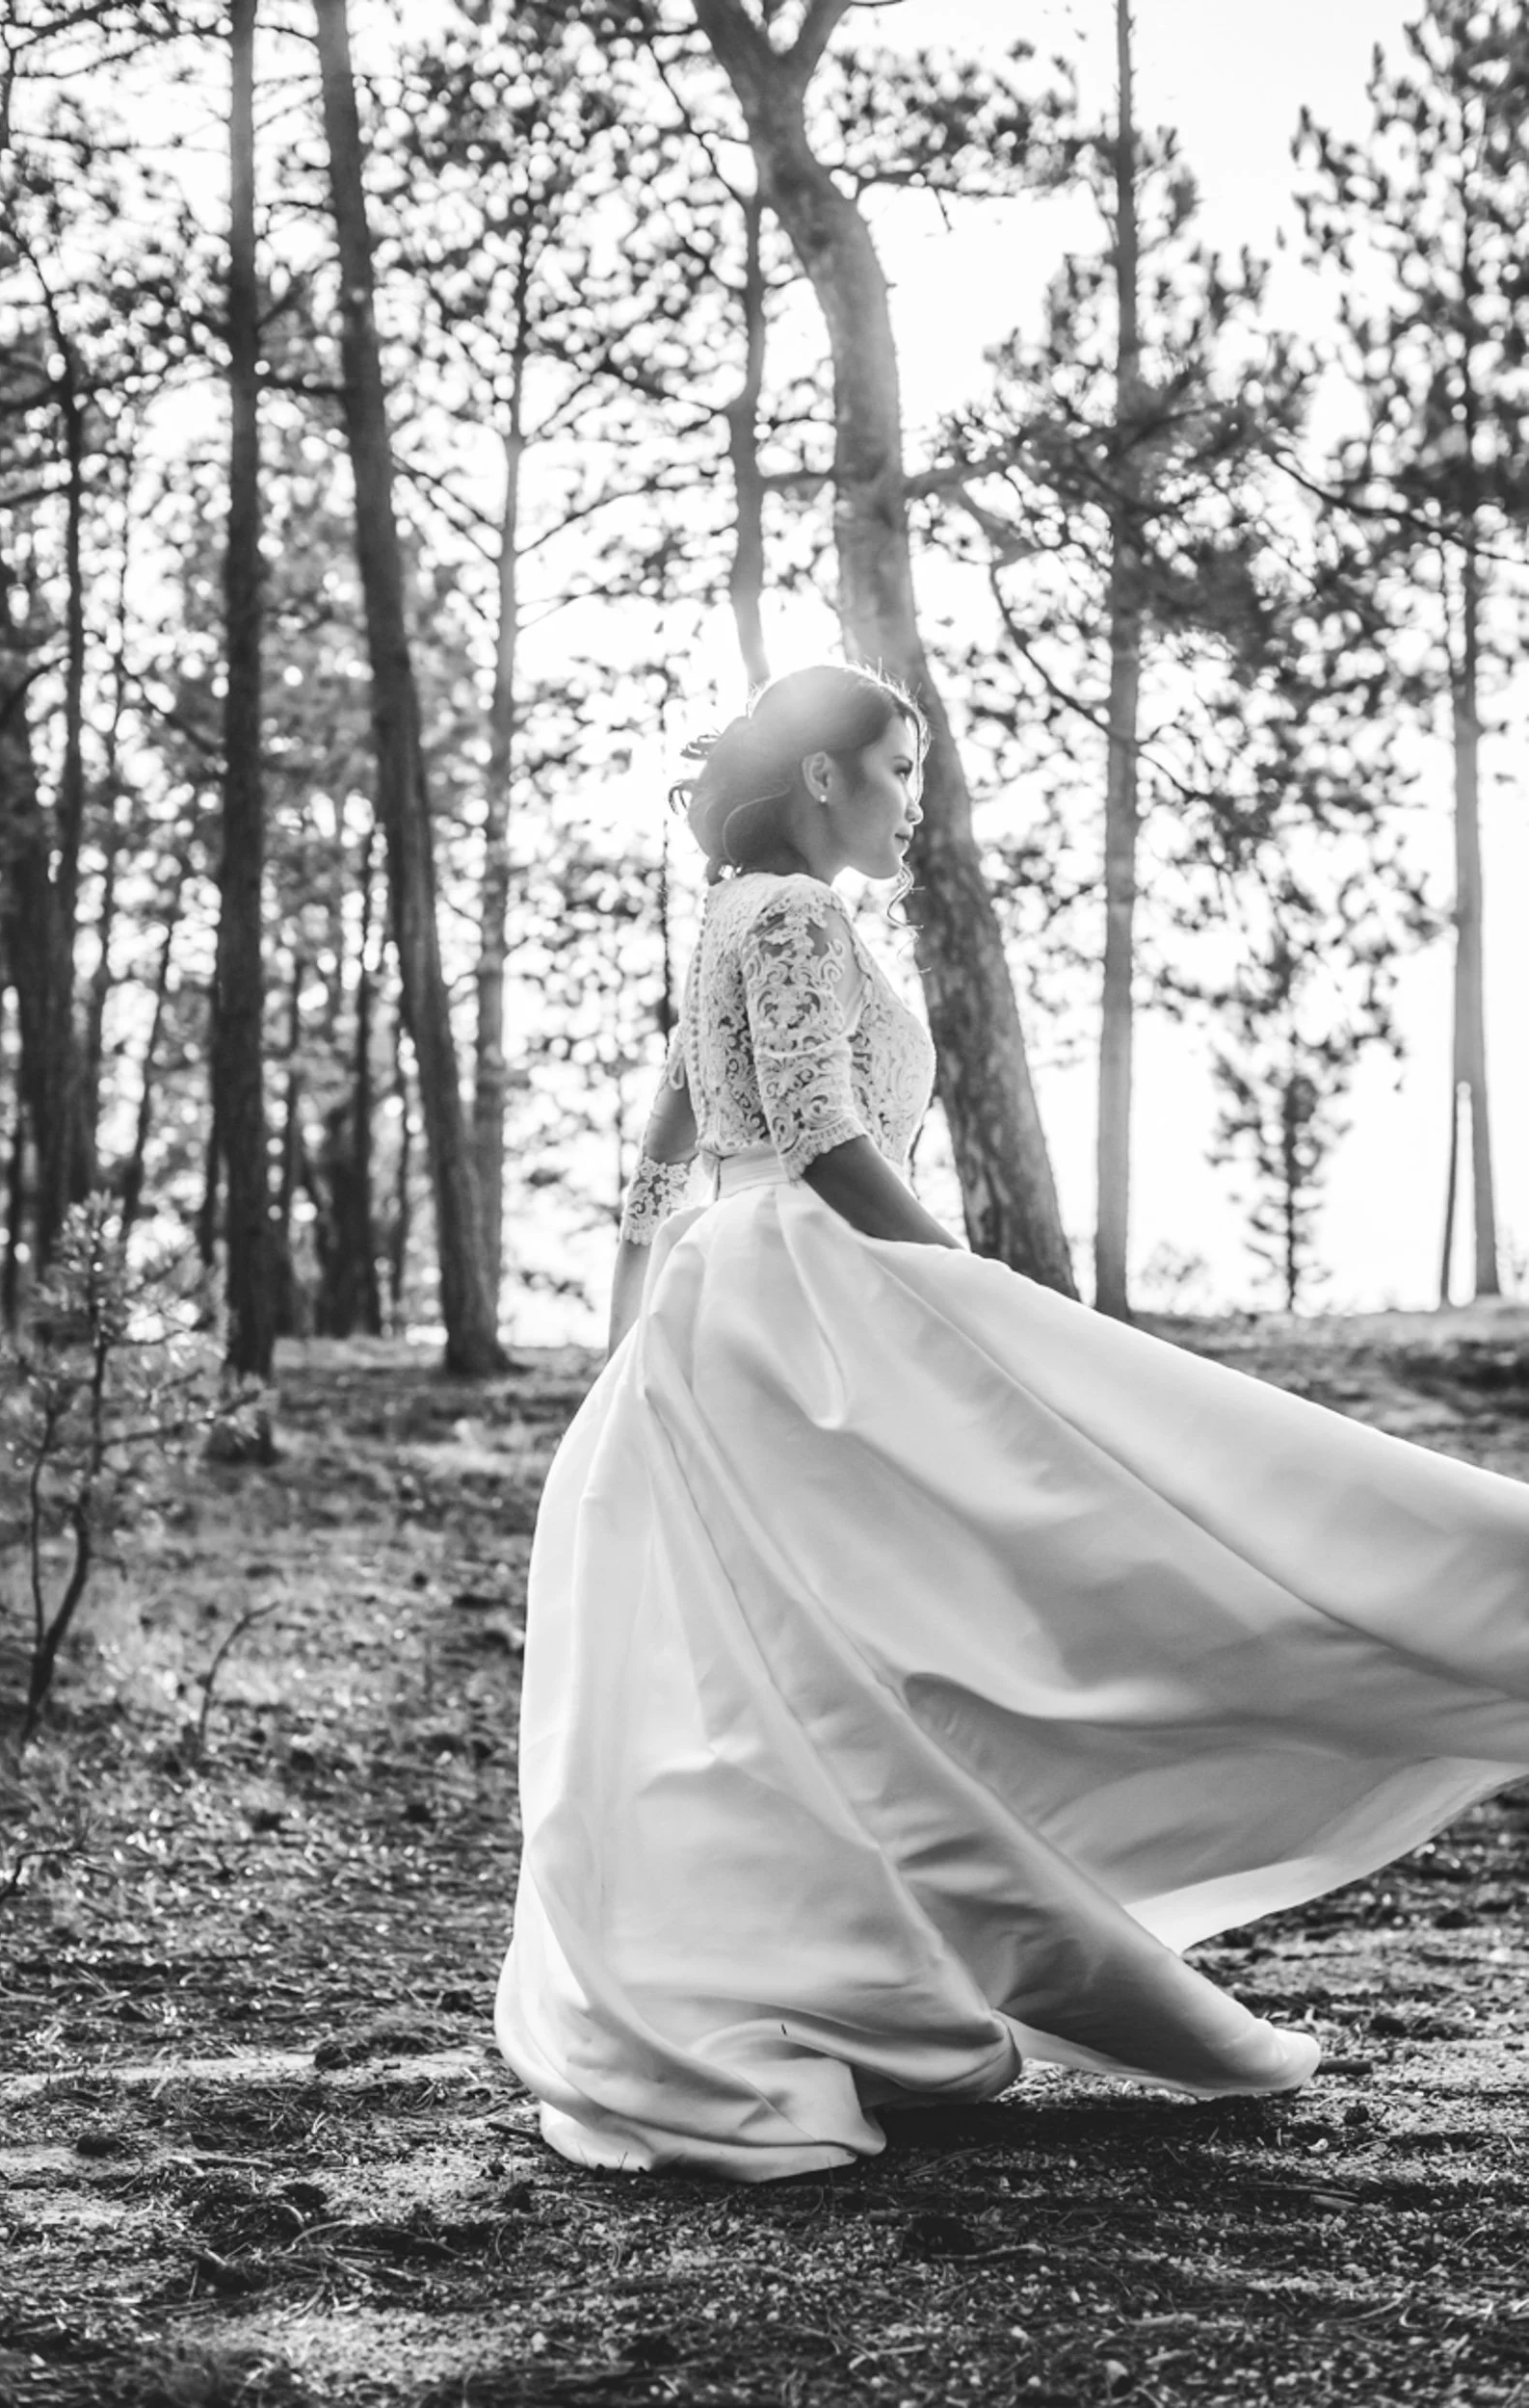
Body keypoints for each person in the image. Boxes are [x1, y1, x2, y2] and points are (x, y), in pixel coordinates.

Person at [494, 661, 1529, 2184]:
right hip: (804, 1307)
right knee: (950, 1597)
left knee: (807, 1664)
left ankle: (836, 1977)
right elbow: (817, 1132)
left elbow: (669, 1141)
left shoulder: (728, 915)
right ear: (823, 776)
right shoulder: (791, 915)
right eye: (897, 769)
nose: (916, 802)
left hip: (729, 1304)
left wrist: (636, 1310)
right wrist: (951, 1284)